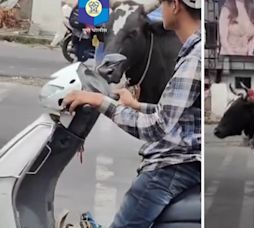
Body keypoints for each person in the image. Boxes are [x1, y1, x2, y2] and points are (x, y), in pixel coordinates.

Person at [62, 0, 201, 227]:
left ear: (175, 5)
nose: (162, 9)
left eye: (165, 3)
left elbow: (156, 128)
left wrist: (98, 101)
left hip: (172, 165)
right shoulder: (192, 50)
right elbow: (180, 116)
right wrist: (136, 106)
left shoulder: (193, 59)